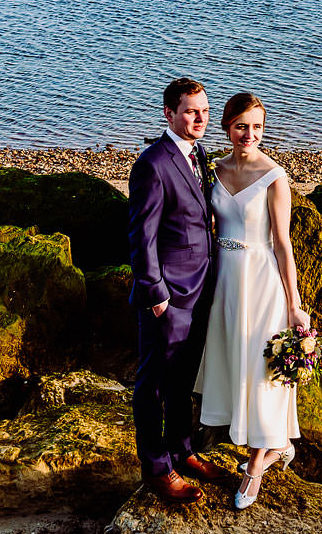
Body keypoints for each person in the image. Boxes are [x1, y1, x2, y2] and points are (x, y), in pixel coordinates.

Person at [193, 92, 309, 510]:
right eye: (242, 126)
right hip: (223, 279)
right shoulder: (213, 170)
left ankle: (257, 464)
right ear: (227, 126)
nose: (250, 134)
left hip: (262, 282)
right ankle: (276, 446)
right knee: (234, 360)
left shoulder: (275, 177)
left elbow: (283, 245)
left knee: (261, 369)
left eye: (257, 127)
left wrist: (294, 304)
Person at [126, 78, 233, 503]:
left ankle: (181, 450)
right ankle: (155, 468)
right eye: (191, 111)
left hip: (200, 289)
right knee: (153, 383)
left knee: (183, 379)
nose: (200, 119)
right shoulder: (153, 163)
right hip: (167, 296)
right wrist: (155, 294)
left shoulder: (200, 154)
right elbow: (141, 235)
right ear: (169, 113)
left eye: (205, 111)